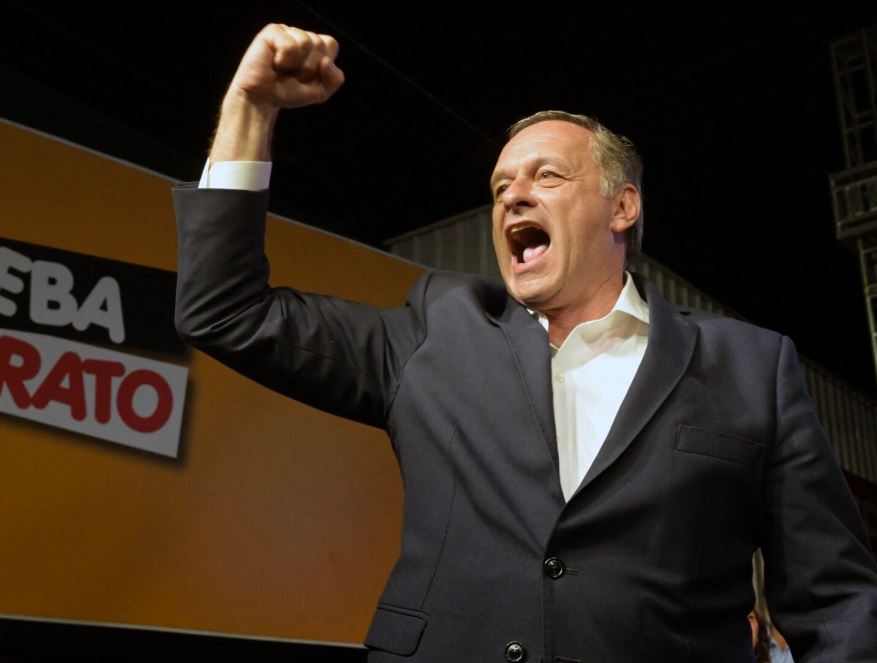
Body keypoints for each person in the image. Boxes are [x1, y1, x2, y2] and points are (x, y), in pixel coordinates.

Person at [173, 23, 877, 662]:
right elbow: (224, 310)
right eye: (500, 185)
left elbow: (836, 601)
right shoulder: (437, 331)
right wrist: (249, 110)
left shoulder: (749, 366)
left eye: (545, 175)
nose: (512, 196)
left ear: (622, 206)